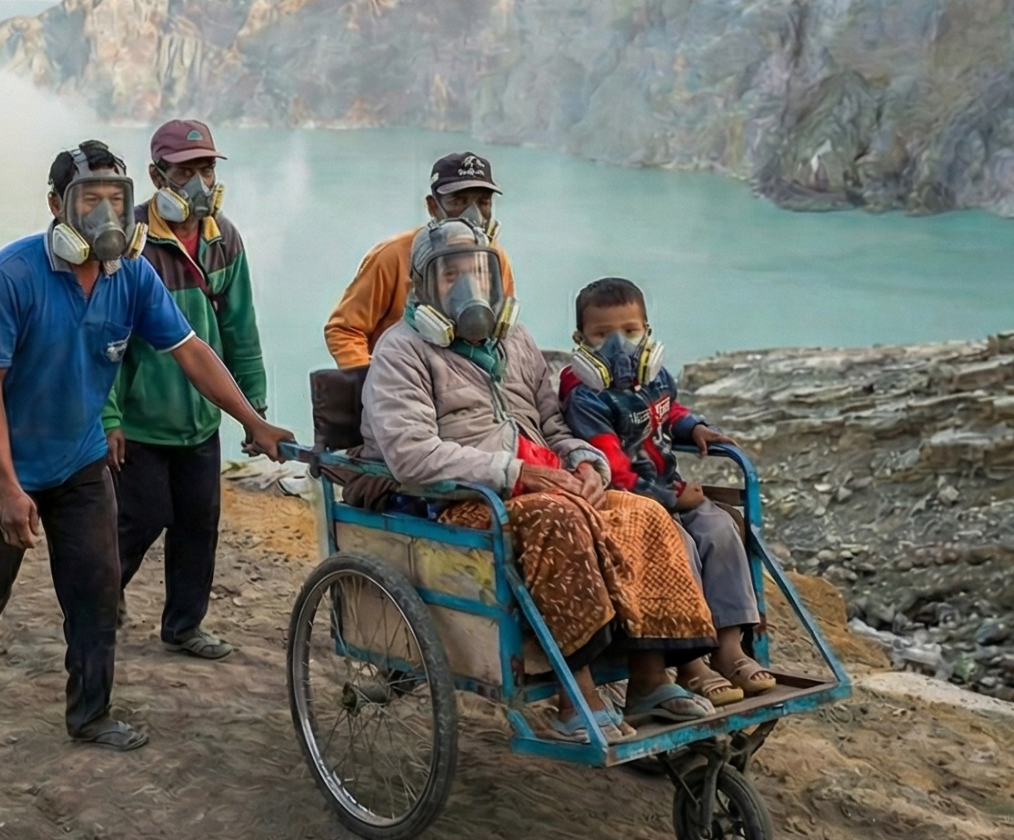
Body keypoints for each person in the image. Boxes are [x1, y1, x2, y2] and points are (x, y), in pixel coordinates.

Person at [0, 140, 295, 752]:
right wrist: (7, 487)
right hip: (0, 464)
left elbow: (192, 352)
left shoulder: (132, 278)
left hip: (78, 461)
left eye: (116, 200)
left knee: (96, 586)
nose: (107, 215)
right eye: (89, 200)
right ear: (56, 206)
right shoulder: (9, 277)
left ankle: (91, 715)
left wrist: (252, 419)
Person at [360, 220, 716, 741]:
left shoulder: (516, 341)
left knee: (643, 512)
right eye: (450, 274)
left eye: (478, 273)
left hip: (542, 482)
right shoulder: (402, 351)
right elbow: (412, 455)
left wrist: (587, 461)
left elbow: (552, 424)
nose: (468, 288)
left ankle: (648, 681)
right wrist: (518, 473)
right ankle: (578, 696)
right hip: (463, 500)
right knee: (559, 518)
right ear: (422, 286)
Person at [561, 277, 776, 706]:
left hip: (672, 491)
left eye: (630, 331)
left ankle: (728, 648)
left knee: (718, 529)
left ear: (647, 332)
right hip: (633, 506)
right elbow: (613, 471)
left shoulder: (655, 377)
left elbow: (667, 412)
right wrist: (672, 500)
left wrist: (691, 426)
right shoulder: (583, 393)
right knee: (676, 547)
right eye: (602, 335)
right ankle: (689, 662)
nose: (619, 346)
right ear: (580, 340)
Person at [103, 120, 268, 661]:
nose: (200, 182)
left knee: (199, 523)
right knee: (140, 519)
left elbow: (240, 328)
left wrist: (253, 406)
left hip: (201, 417)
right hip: (141, 418)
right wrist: (108, 417)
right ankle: (96, 606)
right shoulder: (127, 241)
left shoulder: (225, 238)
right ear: (156, 175)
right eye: (186, 170)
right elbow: (101, 334)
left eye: (207, 168)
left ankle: (183, 625)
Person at [324, 151, 519, 370]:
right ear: (433, 207)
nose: (473, 214)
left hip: (469, 388)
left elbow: (502, 330)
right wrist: (372, 381)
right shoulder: (392, 257)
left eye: (483, 202)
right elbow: (345, 330)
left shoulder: (495, 259)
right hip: (401, 385)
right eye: (458, 201)